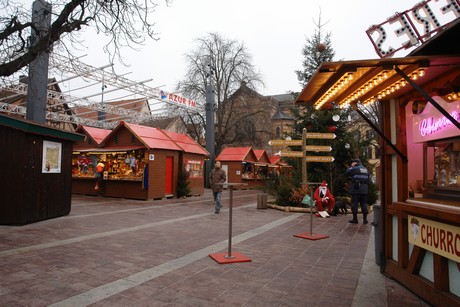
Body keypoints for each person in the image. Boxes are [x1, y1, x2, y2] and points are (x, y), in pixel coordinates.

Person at [345, 158, 370, 224]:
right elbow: (368, 180)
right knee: (364, 204)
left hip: (356, 189)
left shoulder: (355, 168)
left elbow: (347, 172)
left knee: (354, 204)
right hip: (364, 189)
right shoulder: (366, 169)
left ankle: (355, 219)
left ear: (355, 163)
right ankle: (365, 219)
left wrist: (351, 166)